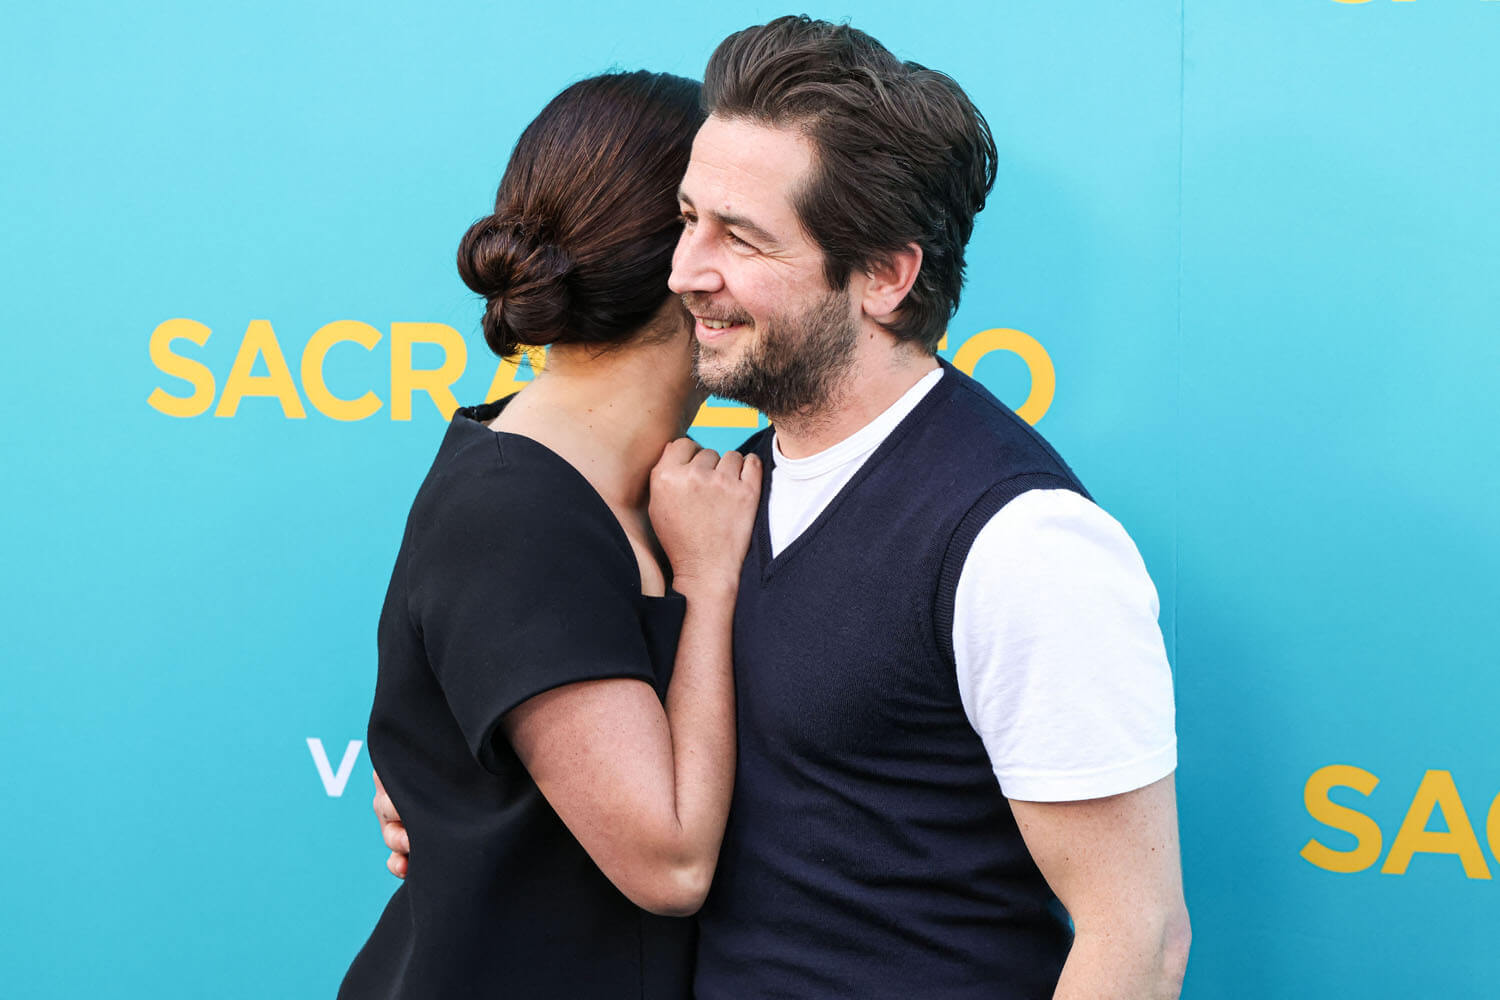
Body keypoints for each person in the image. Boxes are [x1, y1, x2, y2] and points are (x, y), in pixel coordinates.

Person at [379, 17, 1191, 998]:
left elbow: (1138, 937)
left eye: (742, 236)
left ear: (885, 276)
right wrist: (452, 782)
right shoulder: (714, 495)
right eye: (687, 219)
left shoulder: (1023, 543)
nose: (684, 271)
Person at [341, 70, 760, 1000]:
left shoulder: (669, 489)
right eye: (739, 229)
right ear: (684, 259)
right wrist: (709, 583)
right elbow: (671, 863)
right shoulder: (515, 511)